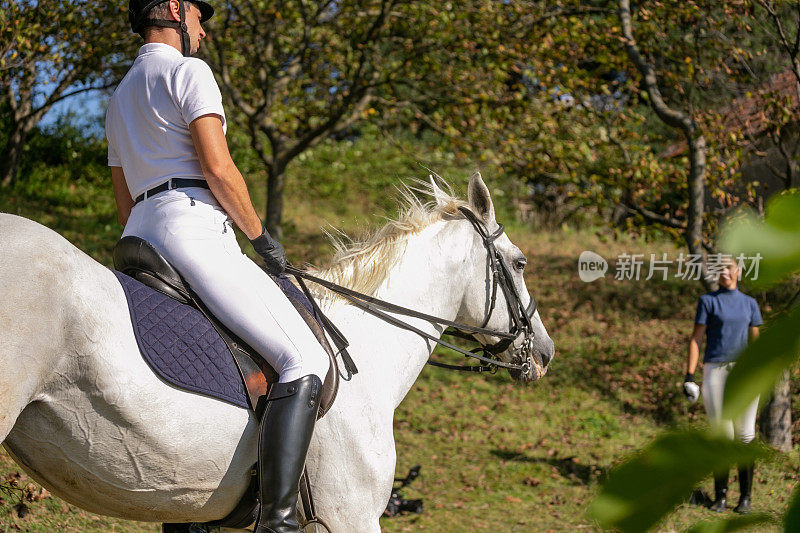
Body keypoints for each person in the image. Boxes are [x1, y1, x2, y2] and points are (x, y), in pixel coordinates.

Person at [105, 2, 330, 531]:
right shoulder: (189, 72)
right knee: (304, 360)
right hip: (192, 230)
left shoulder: (117, 99)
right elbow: (219, 168)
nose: (203, 33)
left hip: (139, 237)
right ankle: (279, 521)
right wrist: (261, 238)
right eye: (201, 19)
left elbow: (122, 201)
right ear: (177, 11)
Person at [683, 256, 763, 514]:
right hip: (715, 370)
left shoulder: (750, 304)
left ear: (738, 271)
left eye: (728, 268)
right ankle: (721, 498)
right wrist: (689, 375)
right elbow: (696, 339)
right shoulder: (708, 301)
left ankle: (746, 499)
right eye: (720, 269)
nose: (724, 273)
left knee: (745, 435)